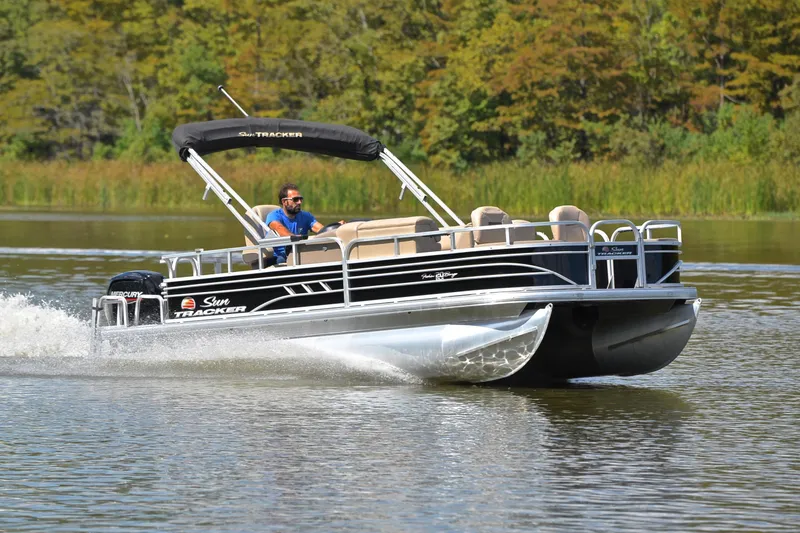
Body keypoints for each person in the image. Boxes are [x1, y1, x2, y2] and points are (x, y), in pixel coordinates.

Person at [266, 183, 339, 264]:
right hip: (282, 256)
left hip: (302, 253)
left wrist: (336, 228)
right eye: (295, 199)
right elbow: (279, 228)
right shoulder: (273, 216)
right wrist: (295, 238)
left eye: (301, 199)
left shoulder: (306, 216)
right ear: (284, 201)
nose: (299, 202)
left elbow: (322, 230)